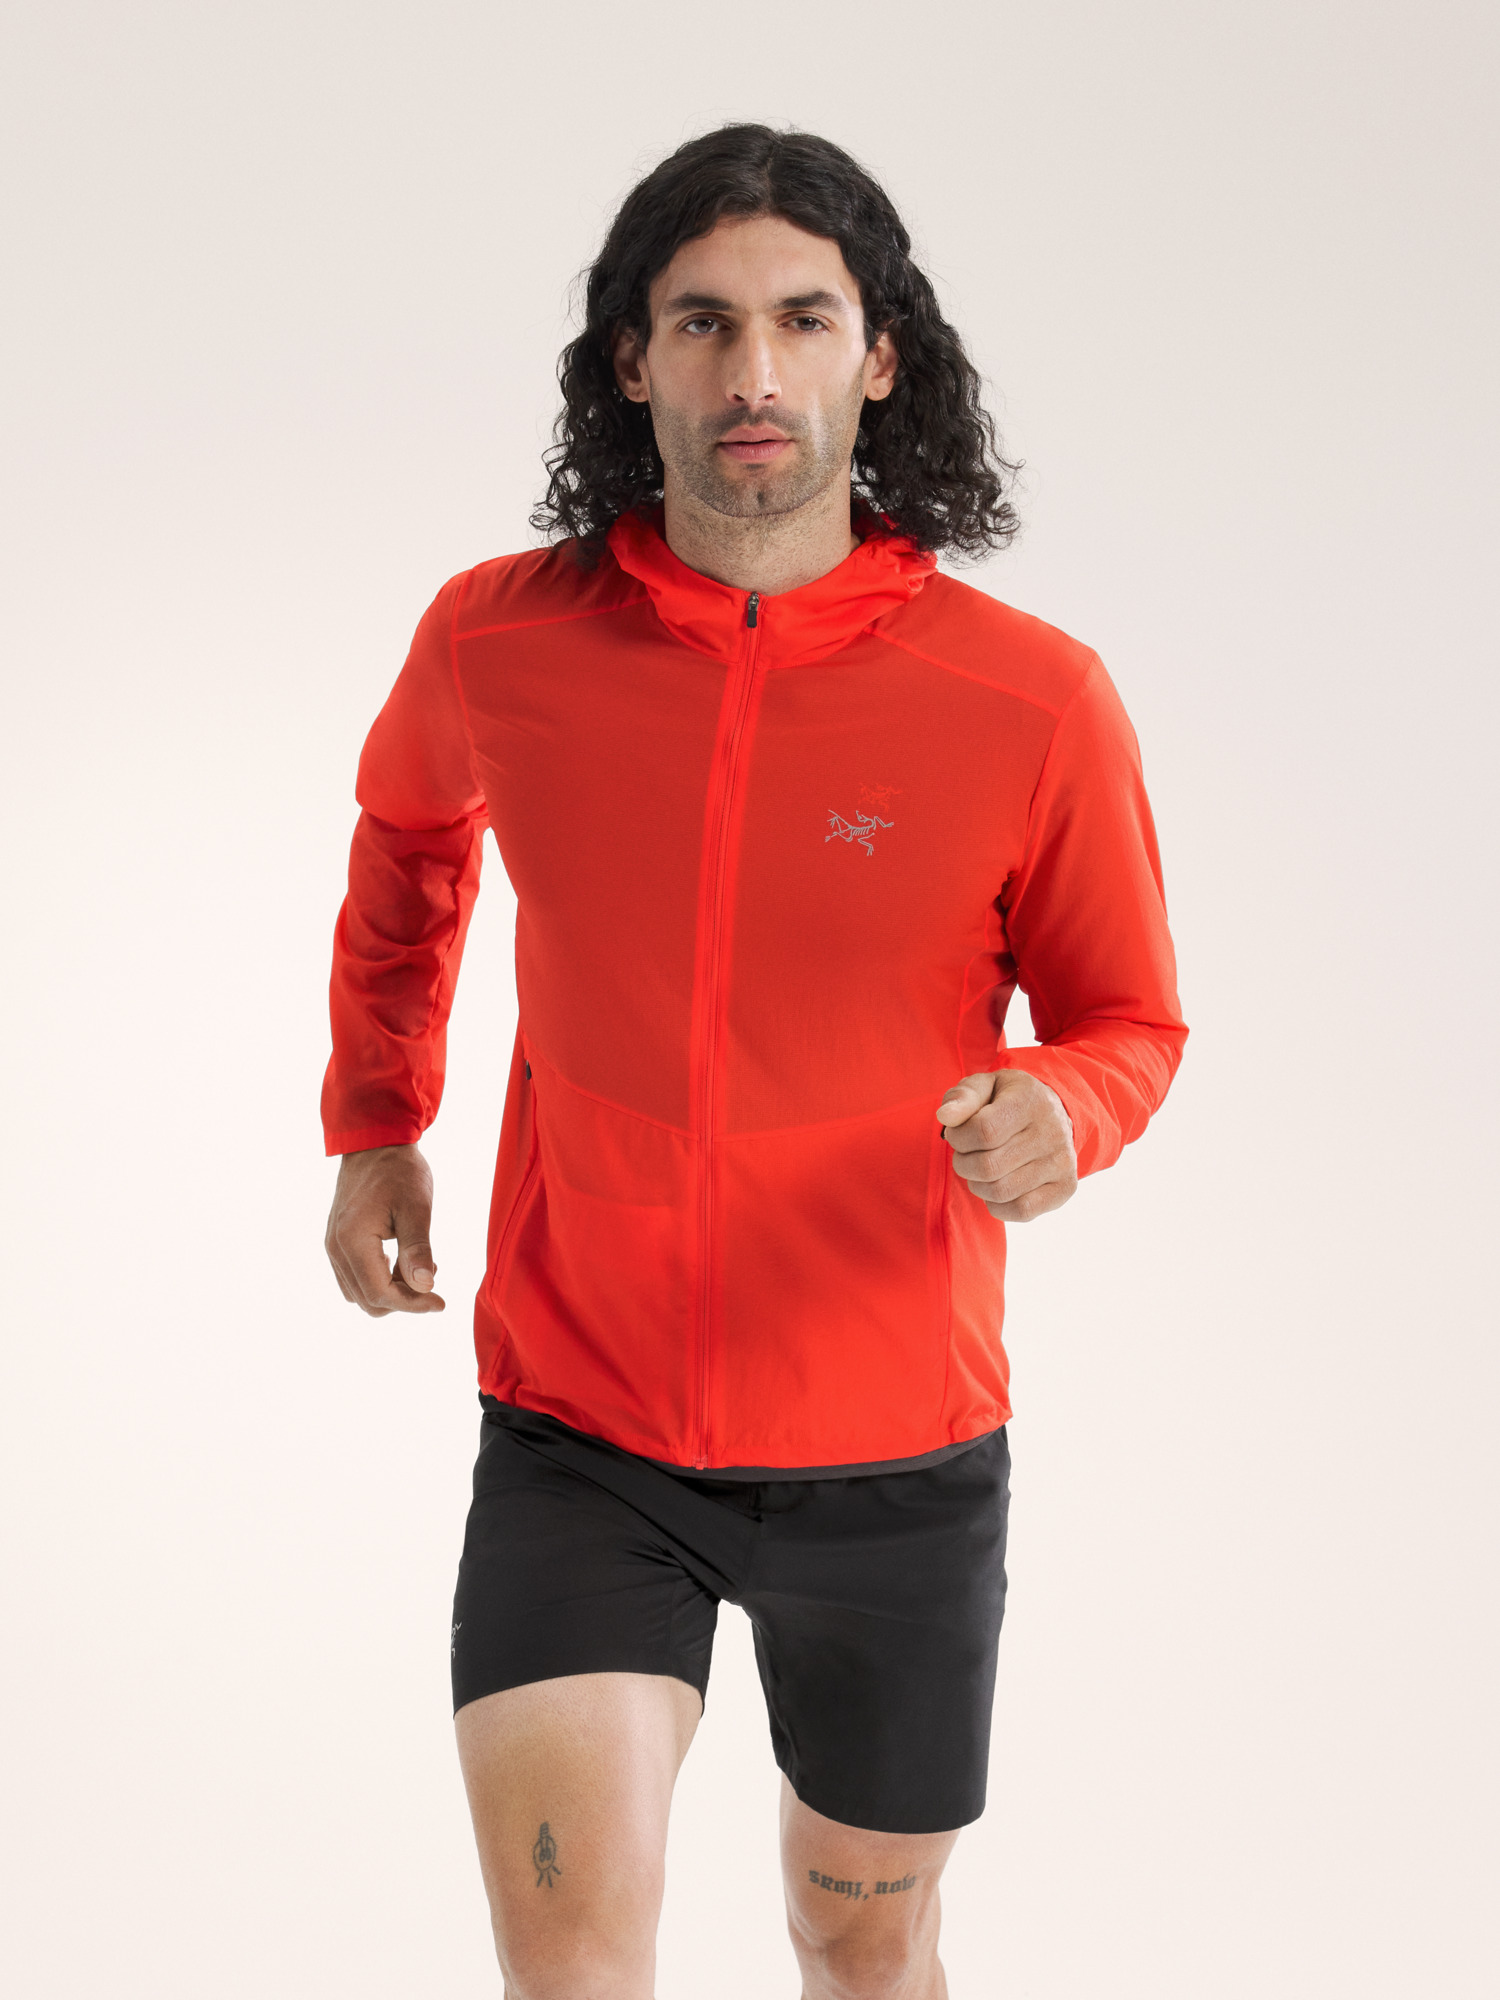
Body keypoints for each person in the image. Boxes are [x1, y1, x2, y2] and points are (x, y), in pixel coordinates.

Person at [321, 122, 1185, 2000]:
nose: (755, 372)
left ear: (881, 358)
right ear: (633, 361)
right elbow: (409, 838)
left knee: (859, 1949)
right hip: (582, 1424)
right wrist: (380, 1118)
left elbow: (1130, 1021)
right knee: (570, 1957)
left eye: (804, 319)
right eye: (702, 322)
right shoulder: (499, 640)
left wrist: (1066, 1109)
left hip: (896, 1443)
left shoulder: (1029, 697)